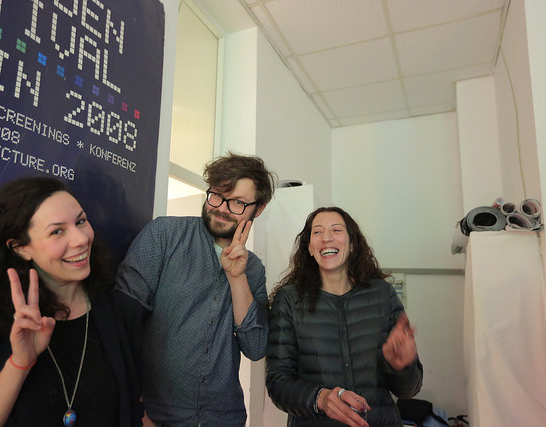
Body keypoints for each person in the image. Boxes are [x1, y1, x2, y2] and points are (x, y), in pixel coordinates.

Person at [0, 176, 144, 426]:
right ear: (20, 247)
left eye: (81, 221)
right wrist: (19, 364)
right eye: (57, 231)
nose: (81, 239)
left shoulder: (122, 313)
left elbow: (136, 410)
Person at [115, 152, 276, 426]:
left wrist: (237, 278)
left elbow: (255, 347)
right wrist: (138, 409)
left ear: (258, 209)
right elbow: (121, 322)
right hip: (158, 417)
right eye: (216, 195)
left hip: (225, 418)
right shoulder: (164, 235)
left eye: (237, 202)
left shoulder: (253, 269)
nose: (222, 208)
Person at [266, 207, 423, 427]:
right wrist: (320, 398)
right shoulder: (289, 300)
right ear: (310, 248)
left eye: (336, 230)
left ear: (352, 244)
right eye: (317, 232)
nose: (326, 238)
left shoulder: (382, 294)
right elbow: (278, 382)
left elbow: (409, 390)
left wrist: (402, 366)